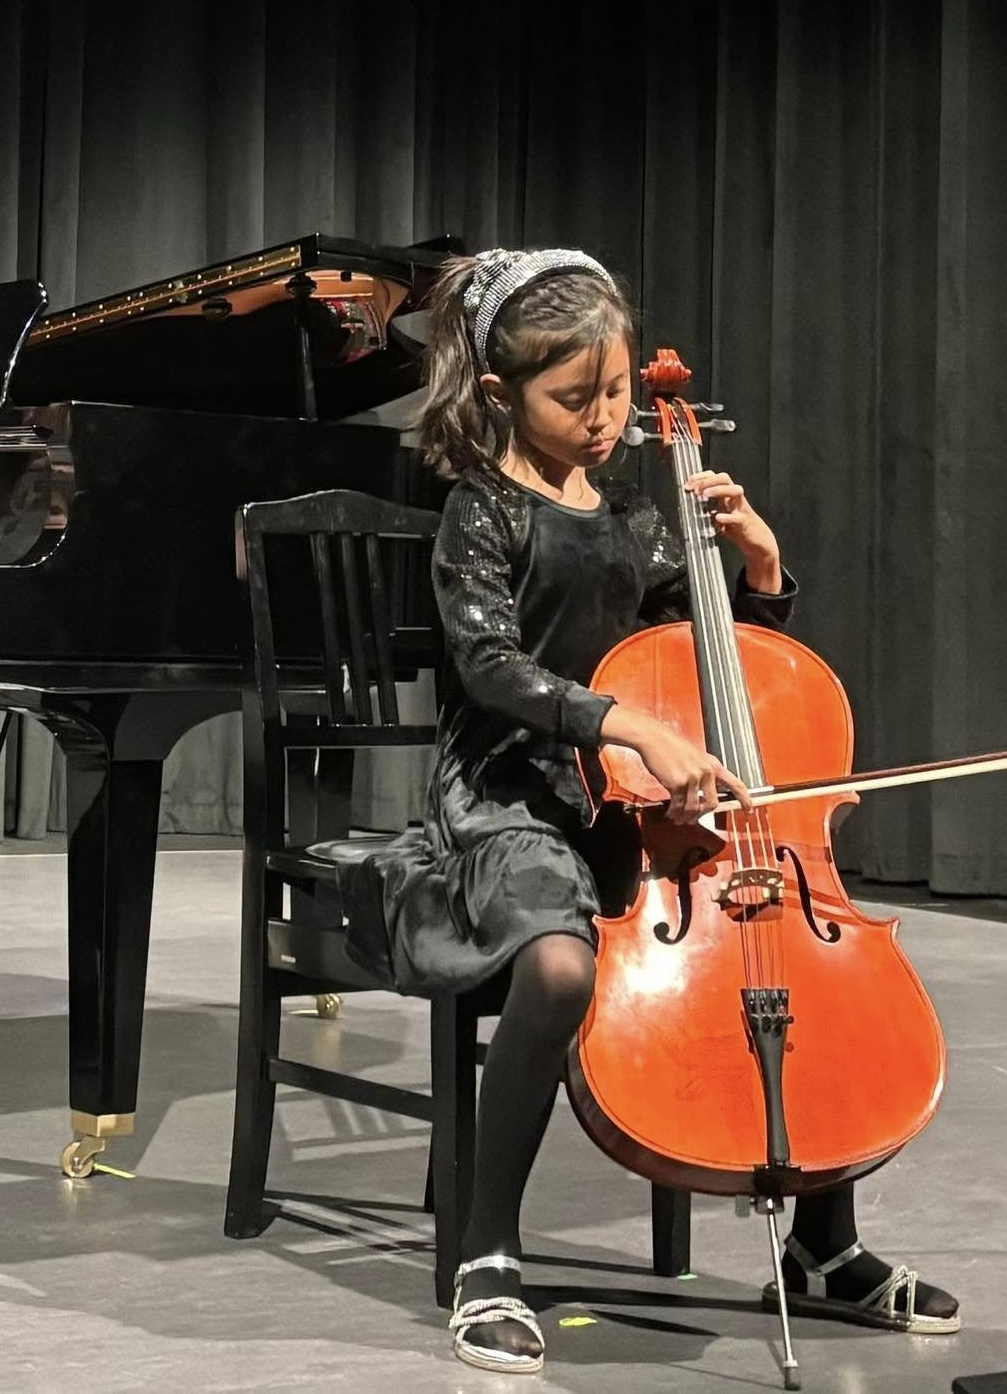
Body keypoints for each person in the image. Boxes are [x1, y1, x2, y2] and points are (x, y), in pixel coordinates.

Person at [341, 247, 959, 1375]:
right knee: (560, 970)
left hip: (642, 809)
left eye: (617, 391)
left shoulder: (639, 506)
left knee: (783, 957)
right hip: (510, 792)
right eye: (573, 398)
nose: (604, 417)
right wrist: (621, 724)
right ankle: (486, 1255)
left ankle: (823, 1247)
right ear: (497, 396)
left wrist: (759, 570)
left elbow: (721, 661)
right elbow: (487, 671)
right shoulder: (479, 513)